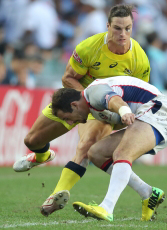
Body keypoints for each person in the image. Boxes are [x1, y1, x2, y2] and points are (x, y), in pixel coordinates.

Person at [13, 4, 151, 217]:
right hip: (75, 100)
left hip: (106, 110)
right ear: (108, 26)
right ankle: (42, 156)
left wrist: (117, 114)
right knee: (32, 140)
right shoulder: (89, 47)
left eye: (127, 28)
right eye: (117, 28)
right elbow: (67, 78)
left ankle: (56, 195)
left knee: (86, 146)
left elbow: (139, 95)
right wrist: (88, 98)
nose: (122, 34)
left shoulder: (139, 59)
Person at [51, 75, 167, 221]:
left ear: (74, 105)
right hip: (150, 116)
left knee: (122, 153)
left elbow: (115, 101)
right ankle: (148, 193)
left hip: (159, 111)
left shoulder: (93, 93)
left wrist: (124, 112)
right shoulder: (92, 108)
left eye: (67, 117)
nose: (69, 122)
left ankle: (107, 207)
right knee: (96, 153)